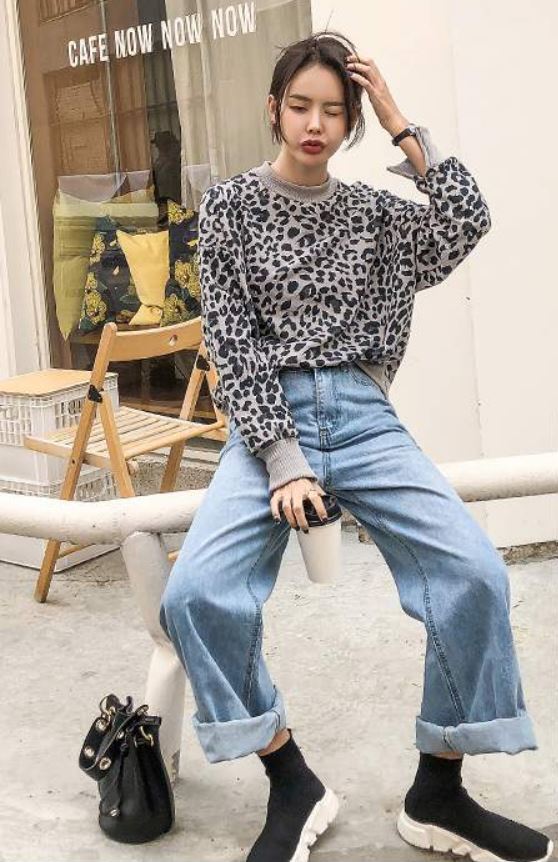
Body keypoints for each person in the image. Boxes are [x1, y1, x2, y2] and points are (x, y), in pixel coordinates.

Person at [159, 30, 553, 862]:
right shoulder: (230, 207)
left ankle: (438, 790)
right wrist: (282, 461)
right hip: (270, 421)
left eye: (335, 111)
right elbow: (231, 341)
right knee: (195, 594)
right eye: (300, 106)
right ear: (274, 109)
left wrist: (402, 123)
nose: (315, 124)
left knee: (475, 575)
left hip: (365, 415)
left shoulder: (375, 214)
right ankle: (290, 779)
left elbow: (465, 220)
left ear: (350, 122)